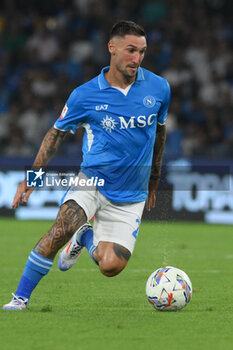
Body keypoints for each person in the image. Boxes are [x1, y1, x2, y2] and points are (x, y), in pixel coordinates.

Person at [3, 20, 170, 310]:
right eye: (131, 50)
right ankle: (20, 299)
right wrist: (33, 177)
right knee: (58, 231)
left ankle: (86, 235)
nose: (137, 58)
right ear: (112, 48)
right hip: (92, 181)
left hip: (131, 193)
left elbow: (160, 132)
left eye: (142, 52)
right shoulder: (85, 95)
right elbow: (55, 134)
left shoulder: (159, 88)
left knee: (111, 266)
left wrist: (154, 178)